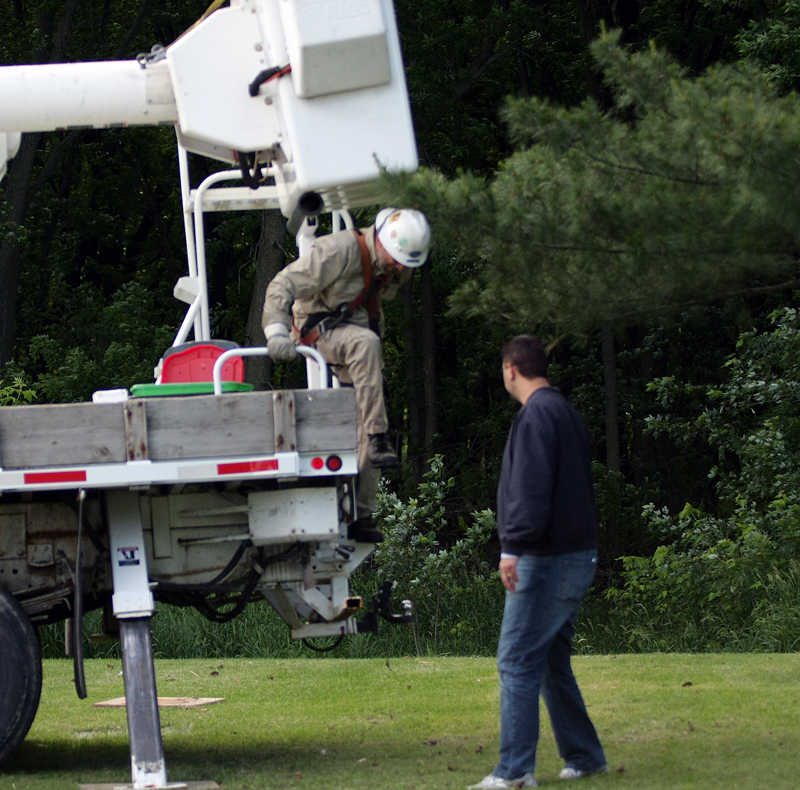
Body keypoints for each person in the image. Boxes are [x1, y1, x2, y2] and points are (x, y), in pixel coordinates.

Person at [469, 336, 607, 789]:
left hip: (546, 559)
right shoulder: (566, 413)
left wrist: (513, 548)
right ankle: (585, 758)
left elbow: (530, 488)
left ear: (510, 370)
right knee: (550, 662)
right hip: (576, 555)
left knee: (516, 662)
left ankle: (514, 772)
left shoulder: (534, 416)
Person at [262, 207, 431, 543]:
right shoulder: (338, 250)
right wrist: (276, 332)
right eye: (397, 259)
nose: (400, 268)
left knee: (366, 421)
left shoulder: (398, 267)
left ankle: (360, 513)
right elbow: (283, 283)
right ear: (381, 241)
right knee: (366, 347)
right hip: (317, 332)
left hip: (357, 345)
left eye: (406, 263)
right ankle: (379, 436)